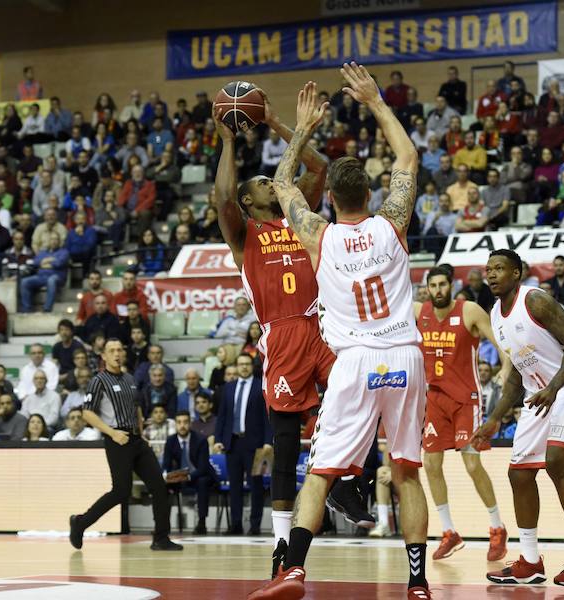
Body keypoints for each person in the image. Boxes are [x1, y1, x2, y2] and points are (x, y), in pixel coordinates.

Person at [249, 64, 431, 600]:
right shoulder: (392, 223)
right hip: (405, 354)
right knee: (405, 473)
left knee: (322, 472)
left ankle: (294, 570)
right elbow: (408, 157)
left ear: (329, 198)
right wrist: (375, 101)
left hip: (354, 362)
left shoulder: (317, 236)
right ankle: (417, 584)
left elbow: (283, 183)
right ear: (371, 195)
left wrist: (300, 127)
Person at [215, 85, 371, 564]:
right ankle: (282, 542)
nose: (272, 183)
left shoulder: (295, 215)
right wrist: (227, 141)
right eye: (264, 182)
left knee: (361, 399)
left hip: (323, 328)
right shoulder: (245, 234)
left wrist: (279, 123)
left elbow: (320, 167)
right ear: (249, 199)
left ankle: (344, 483)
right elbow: (222, 197)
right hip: (281, 334)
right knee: (284, 444)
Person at [474, 249, 564, 588]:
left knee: (555, 462)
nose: (492, 274)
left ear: (517, 273)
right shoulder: (496, 316)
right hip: (537, 395)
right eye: (488, 269)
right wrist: (494, 419)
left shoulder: (536, 301)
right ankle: (530, 561)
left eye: (499, 268)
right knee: (518, 474)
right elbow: (516, 375)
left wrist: (555, 387)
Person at [415, 265, 509, 562]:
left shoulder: (468, 310)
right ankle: (449, 532)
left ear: (451, 286)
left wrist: (505, 368)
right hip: (434, 400)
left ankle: (497, 527)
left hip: (466, 399)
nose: (439, 290)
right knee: (430, 464)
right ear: (427, 288)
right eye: (434, 285)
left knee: (471, 465)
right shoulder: (419, 312)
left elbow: (501, 344)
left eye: (444, 284)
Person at [70, 339, 182, 552]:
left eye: (120, 349)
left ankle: (161, 538)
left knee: (159, 486)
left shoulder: (130, 379)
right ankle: (80, 522)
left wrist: (141, 433)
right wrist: (112, 433)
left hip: (137, 440)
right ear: (103, 356)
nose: (117, 354)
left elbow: (136, 407)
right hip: (117, 439)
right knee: (121, 491)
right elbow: (87, 412)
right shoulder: (99, 380)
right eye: (112, 351)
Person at [213, 352, 271, 536]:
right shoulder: (228, 388)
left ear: (252, 366)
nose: (244, 367)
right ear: (236, 366)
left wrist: (268, 442)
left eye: (247, 363)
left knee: (256, 485)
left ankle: (255, 525)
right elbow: (222, 416)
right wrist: (218, 439)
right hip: (233, 443)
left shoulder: (260, 386)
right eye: (240, 364)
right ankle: (236, 524)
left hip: (256, 444)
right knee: (235, 486)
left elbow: (267, 417)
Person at [163, 410, 216, 535]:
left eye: (185, 422)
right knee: (163, 485)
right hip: (179, 477)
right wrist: (167, 475)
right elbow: (166, 465)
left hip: (198, 476)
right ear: (175, 424)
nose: (182, 425)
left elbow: (203, 468)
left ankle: (201, 523)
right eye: (179, 422)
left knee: (202, 482)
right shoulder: (170, 441)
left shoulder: (201, 440)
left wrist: (186, 477)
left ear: (190, 424)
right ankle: (163, 524)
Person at [19, 232, 69, 313]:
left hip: (57, 276)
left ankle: (47, 309)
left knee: (51, 280)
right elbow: (36, 262)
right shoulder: (43, 252)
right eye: (52, 239)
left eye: (56, 239)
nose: (54, 241)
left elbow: (59, 263)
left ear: (59, 241)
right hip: (41, 277)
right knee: (24, 282)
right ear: (49, 241)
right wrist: (51, 260)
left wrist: (45, 262)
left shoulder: (64, 252)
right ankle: (26, 309)